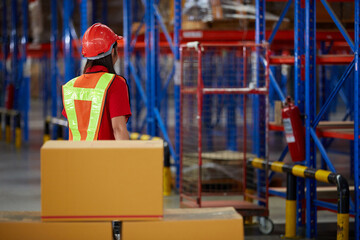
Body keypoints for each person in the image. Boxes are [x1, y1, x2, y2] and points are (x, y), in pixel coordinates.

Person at [62, 23, 131, 141]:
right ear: (113, 51)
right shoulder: (115, 84)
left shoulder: (70, 86)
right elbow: (118, 129)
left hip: (75, 157)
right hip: (104, 158)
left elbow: (73, 128)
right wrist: (127, 158)